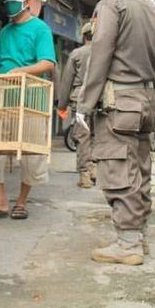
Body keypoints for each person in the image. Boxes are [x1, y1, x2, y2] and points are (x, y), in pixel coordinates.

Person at [77, 0, 155, 265]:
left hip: (118, 103)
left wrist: (84, 105)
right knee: (140, 170)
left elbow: (100, 54)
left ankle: (127, 244)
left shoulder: (112, 4)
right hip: (145, 100)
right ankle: (137, 237)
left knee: (118, 170)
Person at [0, 0, 56, 220]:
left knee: (31, 151)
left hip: (31, 99)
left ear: (27, 2)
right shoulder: (6, 31)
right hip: (2, 97)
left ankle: (21, 201)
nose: (9, 3)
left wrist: (22, 72)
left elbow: (48, 63)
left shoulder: (40, 29)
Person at [57, 22, 95, 188]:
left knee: (82, 136)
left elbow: (66, 82)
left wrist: (62, 105)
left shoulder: (76, 54)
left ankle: (85, 174)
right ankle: (95, 169)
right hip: (101, 98)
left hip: (80, 99)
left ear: (83, 36)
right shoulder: (106, 53)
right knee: (98, 136)